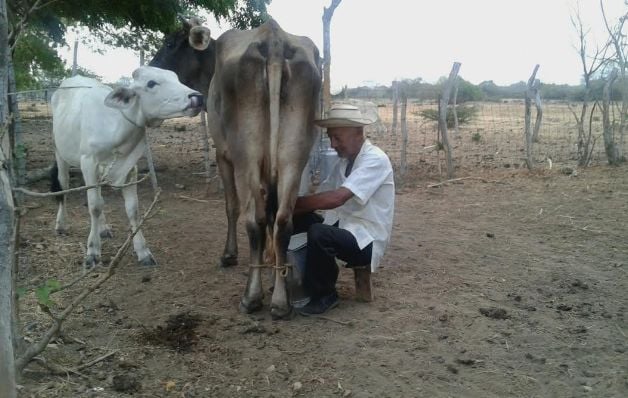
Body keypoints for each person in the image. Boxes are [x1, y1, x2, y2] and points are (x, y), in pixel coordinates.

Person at [292, 103, 395, 315]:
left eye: (337, 137)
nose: (333, 144)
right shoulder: (344, 163)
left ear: (358, 133)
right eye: (330, 137)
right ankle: (295, 278)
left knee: (319, 233)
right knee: (301, 220)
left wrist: (289, 205)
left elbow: (337, 198)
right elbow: (320, 194)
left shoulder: (375, 159)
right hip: (345, 228)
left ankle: (325, 294)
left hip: (366, 240)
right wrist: (290, 205)